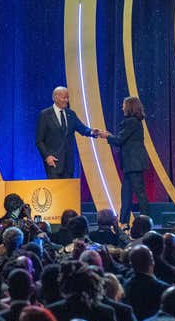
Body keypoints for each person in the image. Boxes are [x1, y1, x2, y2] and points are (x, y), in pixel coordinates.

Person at [99, 96, 149, 225]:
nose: (122, 108)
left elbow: (119, 140)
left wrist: (107, 136)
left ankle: (145, 222)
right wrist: (110, 136)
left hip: (134, 163)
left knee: (139, 194)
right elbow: (122, 138)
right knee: (126, 194)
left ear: (129, 107)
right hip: (131, 164)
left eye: (123, 105)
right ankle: (124, 222)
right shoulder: (135, 122)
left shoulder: (131, 122)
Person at [36, 86, 99, 179]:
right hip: (53, 162)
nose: (67, 100)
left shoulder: (71, 114)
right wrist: (47, 156)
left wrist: (92, 132)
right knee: (56, 192)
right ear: (55, 98)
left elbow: (82, 128)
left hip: (68, 164)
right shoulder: (45, 115)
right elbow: (39, 140)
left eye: (67, 98)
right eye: (64, 98)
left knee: (68, 192)